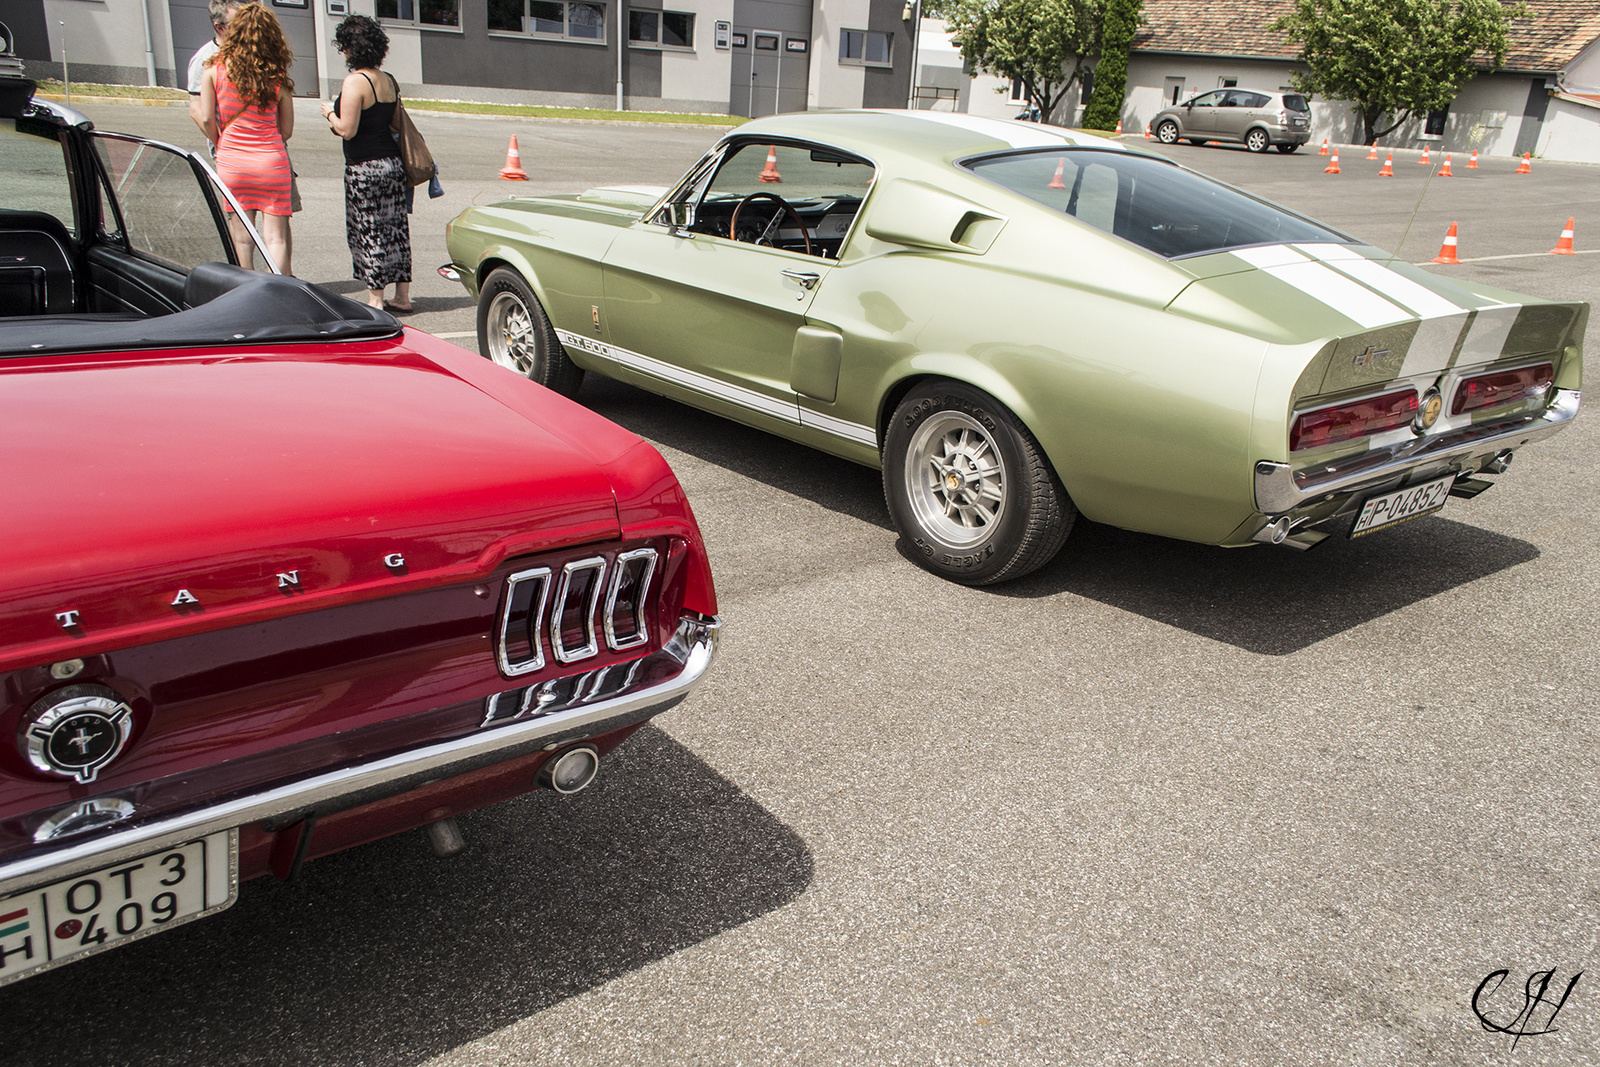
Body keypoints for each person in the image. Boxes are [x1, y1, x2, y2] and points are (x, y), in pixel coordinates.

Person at [189, 0, 300, 258]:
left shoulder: (213, 69)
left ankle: (247, 294)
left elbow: (206, 118)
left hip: (232, 161)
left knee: (242, 240)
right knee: (277, 239)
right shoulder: (277, 75)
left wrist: (222, 143)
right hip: (271, 161)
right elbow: (286, 130)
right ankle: (280, 293)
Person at [320, 15, 411, 311]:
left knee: (370, 229)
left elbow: (347, 129)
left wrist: (328, 115)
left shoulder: (355, 81)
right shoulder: (389, 80)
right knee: (395, 228)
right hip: (393, 164)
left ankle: (376, 298)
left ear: (351, 48)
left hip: (364, 167)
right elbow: (395, 122)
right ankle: (403, 296)